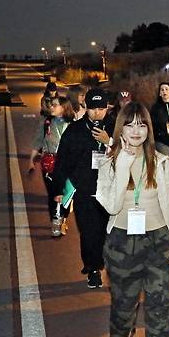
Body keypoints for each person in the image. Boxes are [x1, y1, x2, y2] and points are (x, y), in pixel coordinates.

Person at [95, 102, 169, 337]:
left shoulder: (160, 162)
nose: (136, 131)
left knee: (160, 311)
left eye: (142, 124)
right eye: (130, 124)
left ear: (149, 128)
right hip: (122, 242)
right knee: (124, 304)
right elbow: (110, 204)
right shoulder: (109, 162)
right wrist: (123, 163)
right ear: (121, 128)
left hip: (157, 241)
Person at [53, 87, 114, 288]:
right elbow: (61, 162)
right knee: (88, 232)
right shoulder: (74, 130)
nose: (97, 112)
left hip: (111, 190)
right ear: (86, 107)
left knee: (108, 232)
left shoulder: (116, 128)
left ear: (107, 108)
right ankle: (93, 268)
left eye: (102, 108)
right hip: (84, 191)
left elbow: (130, 154)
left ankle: (107, 264)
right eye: (93, 108)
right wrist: (59, 190)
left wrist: (109, 142)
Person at [28, 96, 75, 237]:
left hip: (67, 164)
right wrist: (31, 159)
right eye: (51, 105)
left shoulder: (73, 125)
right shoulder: (46, 122)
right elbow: (38, 141)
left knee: (66, 194)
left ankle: (63, 219)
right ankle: (55, 221)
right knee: (53, 195)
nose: (51, 107)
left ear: (64, 107)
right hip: (49, 163)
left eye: (55, 105)